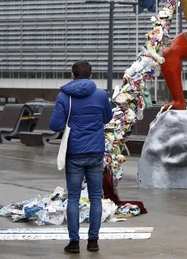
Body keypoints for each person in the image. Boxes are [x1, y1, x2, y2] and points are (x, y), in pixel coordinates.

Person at [50, 60, 112, 254]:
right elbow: (108, 118)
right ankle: (93, 242)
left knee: (74, 198)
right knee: (95, 198)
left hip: (74, 152)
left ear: (72, 75)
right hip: (95, 152)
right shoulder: (101, 95)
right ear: (91, 76)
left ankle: (74, 242)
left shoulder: (64, 96)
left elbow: (55, 125)